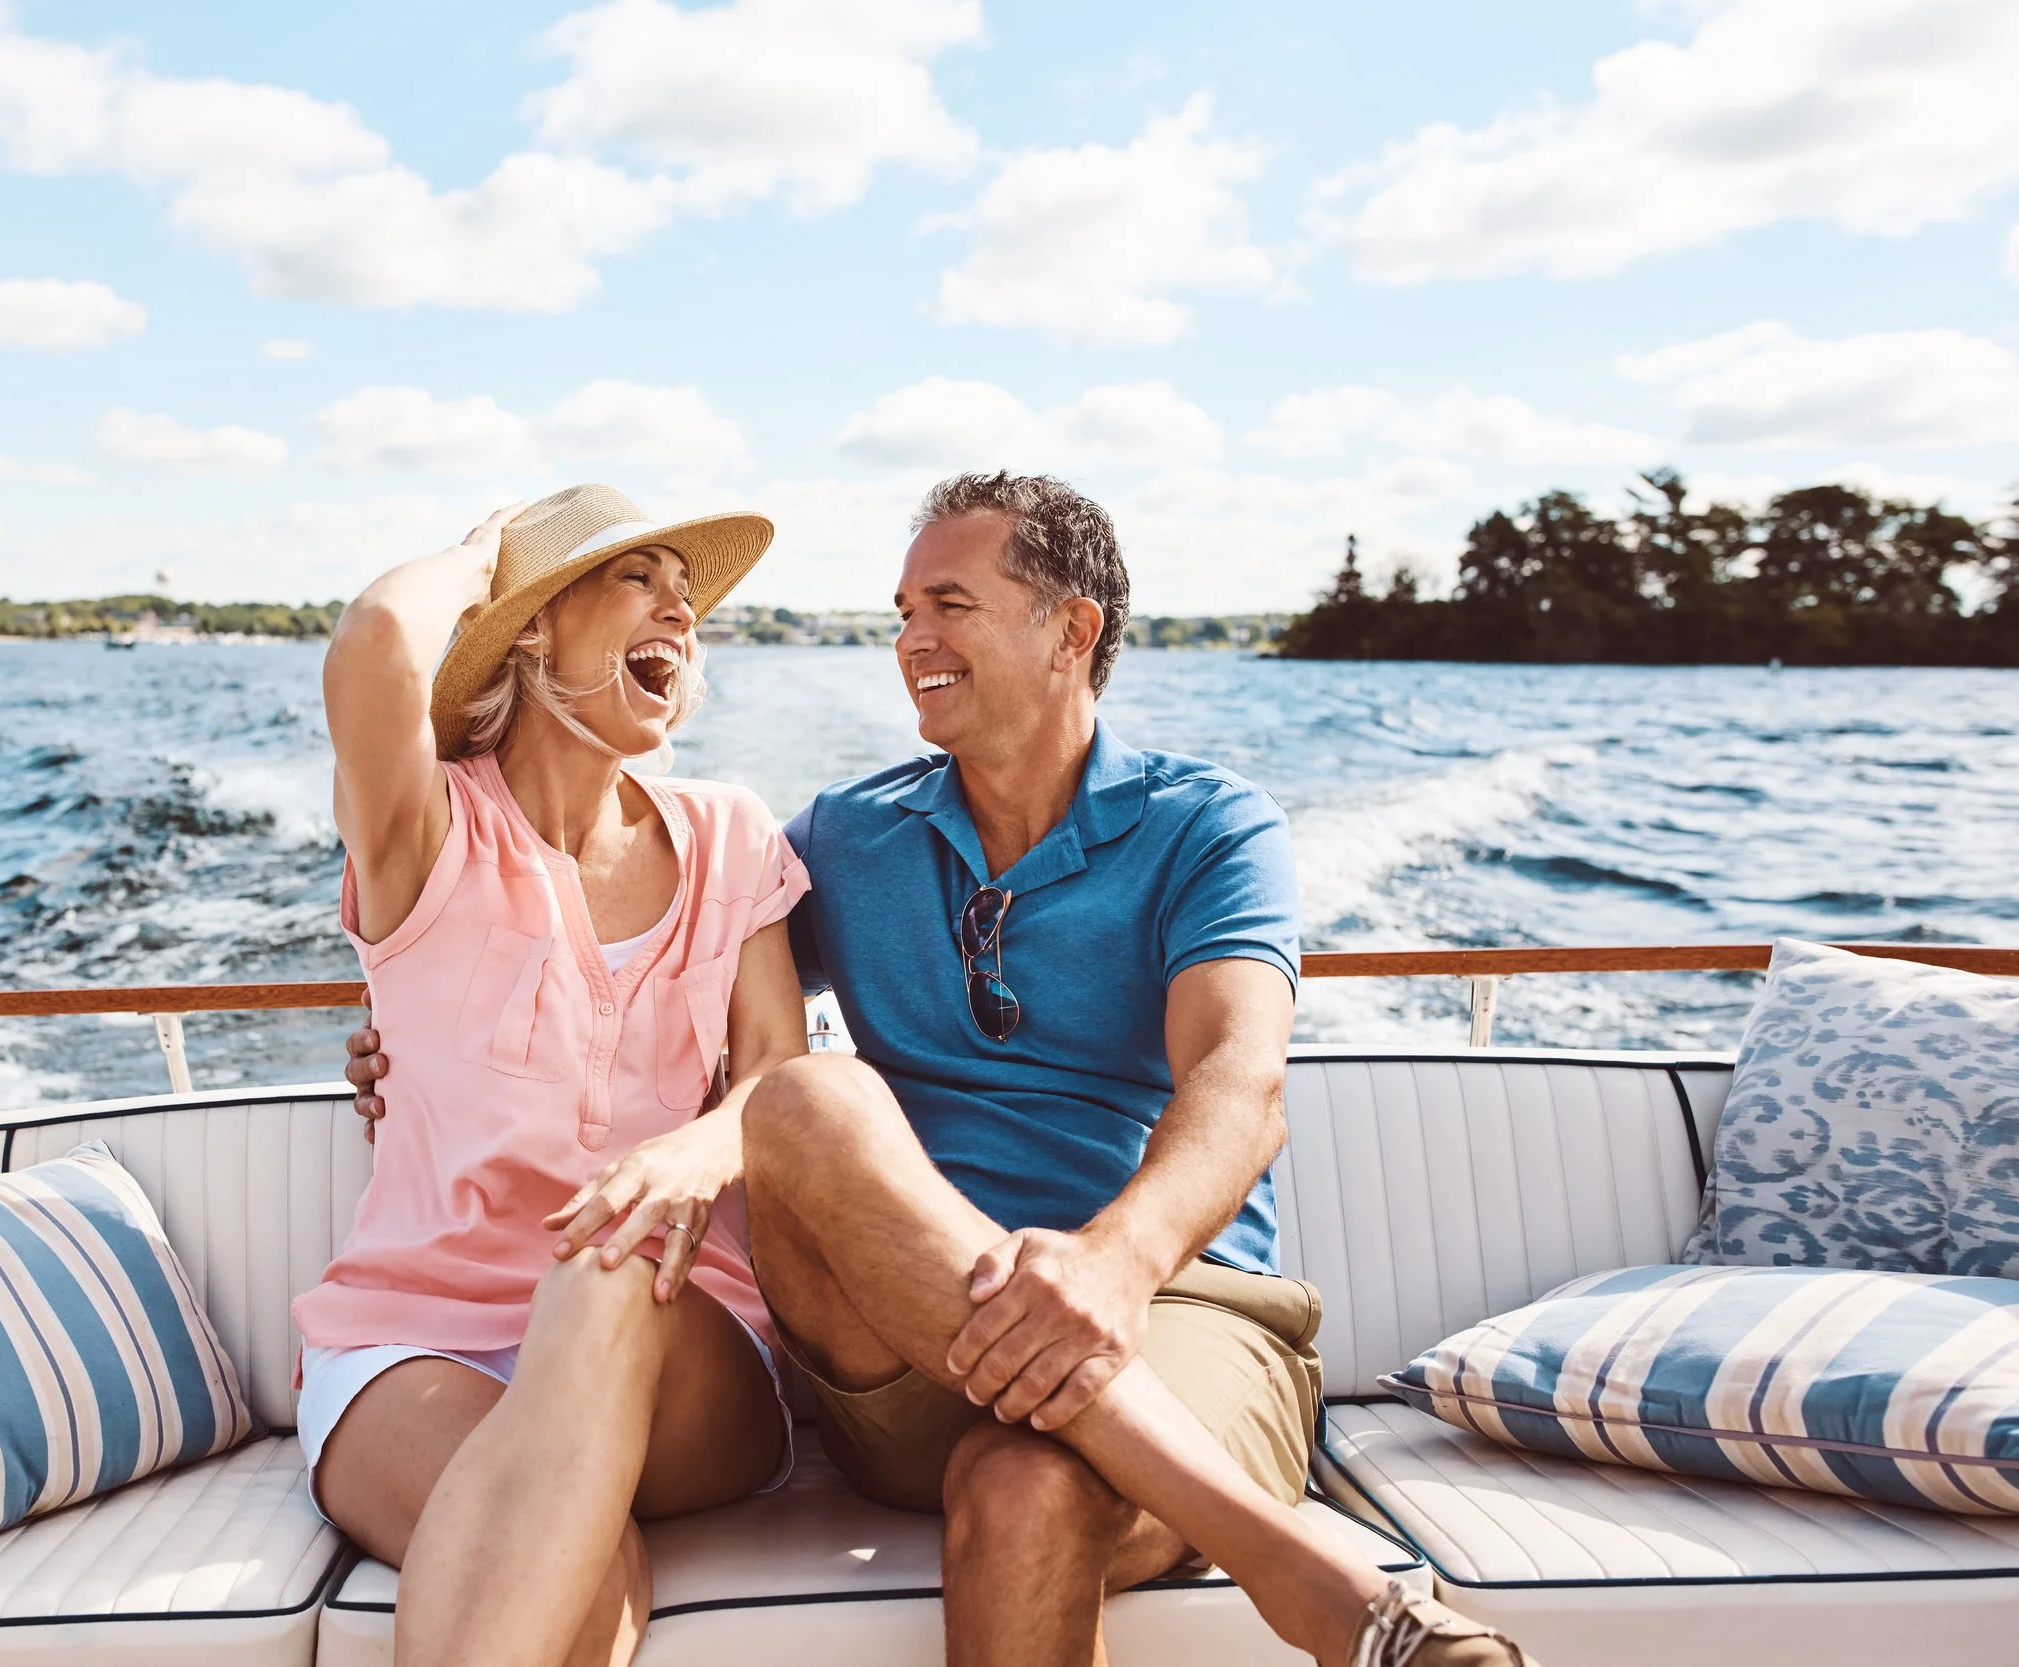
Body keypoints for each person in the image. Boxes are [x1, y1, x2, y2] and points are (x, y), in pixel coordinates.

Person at [348, 473, 1536, 1667]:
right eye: (902, 609)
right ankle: (1317, 1580)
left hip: (1169, 1306)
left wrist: (1112, 1263)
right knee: (815, 1092)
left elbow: (1240, 1080)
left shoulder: (1211, 827)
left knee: (1028, 1489)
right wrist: (409, 1037)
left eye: (950, 604)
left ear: (1072, 629)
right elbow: (656, 983)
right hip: (902, 1347)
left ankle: (1294, 1569)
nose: (912, 639)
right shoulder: (844, 838)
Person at [298, 482, 813, 1667]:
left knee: (612, 1272)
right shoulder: (426, 829)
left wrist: (694, 1148)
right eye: (640, 580)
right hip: (415, 1336)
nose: (680, 615)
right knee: (579, 1577)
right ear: (531, 626)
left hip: (685, 1330)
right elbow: (378, 641)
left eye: (690, 600)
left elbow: (778, 1072)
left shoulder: (734, 834)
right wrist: (484, 557)